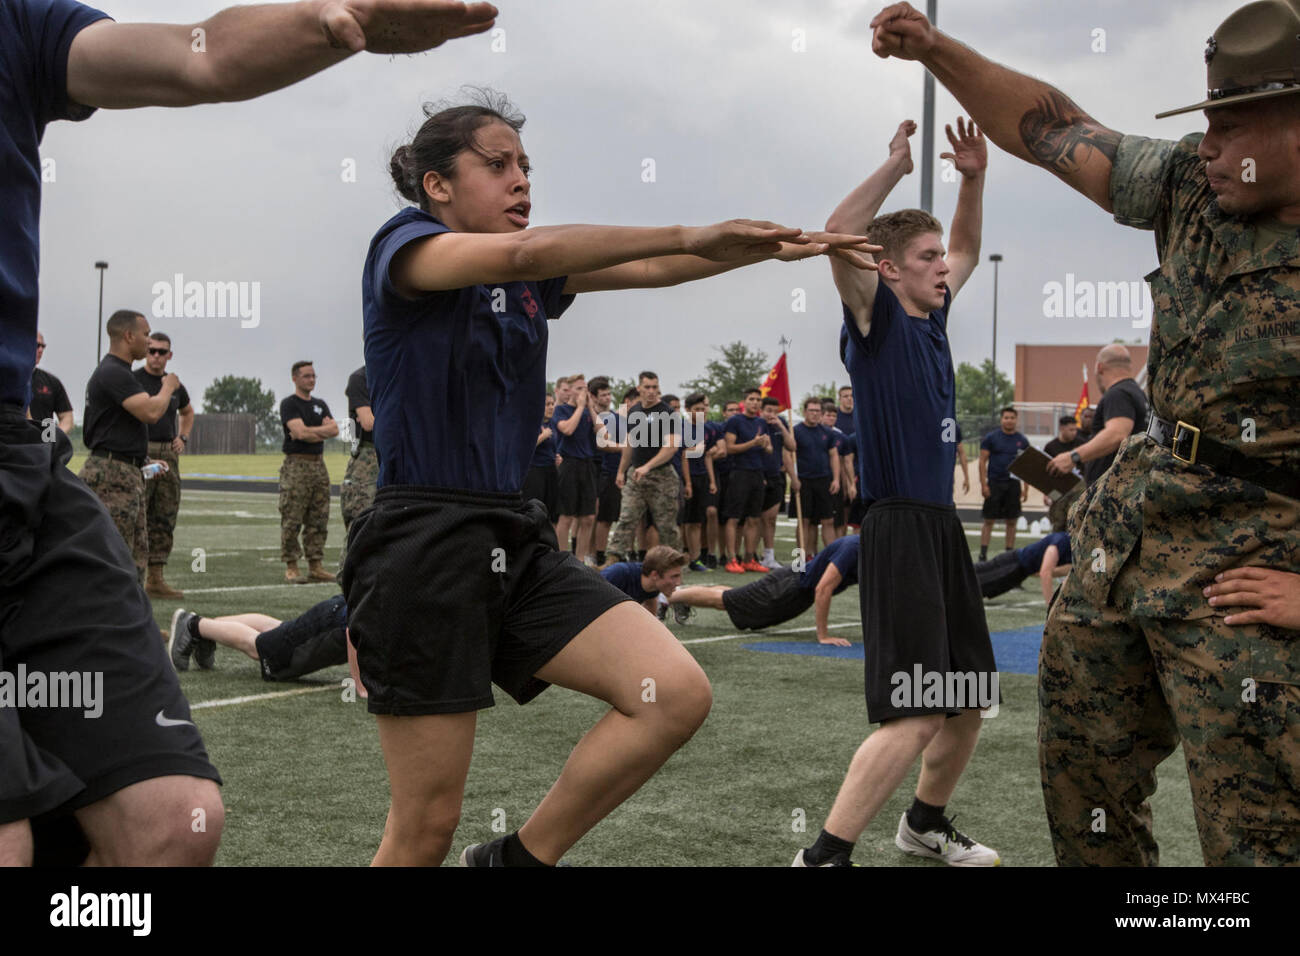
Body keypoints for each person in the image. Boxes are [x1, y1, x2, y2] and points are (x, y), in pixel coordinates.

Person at [2, 0, 498, 870]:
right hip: (120, 471)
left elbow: (202, 58)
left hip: (19, 465)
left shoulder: (15, 23)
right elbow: (165, 412)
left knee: (174, 826)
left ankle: (184, 617)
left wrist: (338, 20)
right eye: (502, 164)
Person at [347, 92, 877, 867]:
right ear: (437, 184)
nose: (521, 180)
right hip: (423, 541)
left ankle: (518, 860)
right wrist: (695, 230)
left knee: (673, 694)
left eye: (526, 166)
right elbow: (533, 253)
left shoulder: (529, 273)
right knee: (425, 826)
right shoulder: (409, 247)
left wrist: (758, 248)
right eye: (498, 165)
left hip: (512, 534)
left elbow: (655, 266)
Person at [871, 0, 1300, 866]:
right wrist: (934, 46)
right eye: (1205, 120)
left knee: (1258, 835)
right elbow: (1051, 127)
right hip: (1128, 538)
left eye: (1230, 121)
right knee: (1082, 785)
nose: (1206, 142)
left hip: (1251, 563)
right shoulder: (1190, 184)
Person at [795, 115, 1001, 868]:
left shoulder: (933, 317)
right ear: (887, 267)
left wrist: (972, 179)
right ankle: (823, 855)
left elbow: (969, 247)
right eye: (924, 256)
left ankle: (924, 823)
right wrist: (893, 165)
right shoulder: (873, 318)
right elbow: (836, 231)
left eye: (938, 255)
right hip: (898, 528)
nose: (942, 265)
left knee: (969, 696)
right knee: (915, 709)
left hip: (940, 526)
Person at [79, 310, 178, 585]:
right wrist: (168, 388)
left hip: (126, 471)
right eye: (146, 335)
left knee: (135, 555)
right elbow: (151, 412)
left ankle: (133, 625)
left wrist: (143, 463)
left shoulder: (120, 373)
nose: (149, 342)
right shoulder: (113, 372)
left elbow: (121, 430)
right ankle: (108, 625)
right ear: (128, 335)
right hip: (112, 475)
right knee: (115, 554)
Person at [670, 534, 860, 646]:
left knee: (735, 597)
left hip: (795, 587)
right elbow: (823, 589)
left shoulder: (866, 546)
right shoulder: (854, 547)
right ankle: (669, 596)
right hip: (789, 586)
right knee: (726, 601)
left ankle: (680, 595)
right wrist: (823, 635)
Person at [168, 596, 349, 683]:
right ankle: (194, 626)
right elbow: (354, 632)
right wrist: (360, 683)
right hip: (336, 625)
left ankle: (210, 630)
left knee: (279, 630)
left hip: (337, 610)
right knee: (262, 648)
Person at [135, 331, 192, 599]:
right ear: (145, 352)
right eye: (152, 350)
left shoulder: (175, 385)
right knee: (138, 514)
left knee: (165, 515)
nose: (156, 356)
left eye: (162, 351)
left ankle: (156, 579)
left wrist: (182, 437)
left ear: (170, 355)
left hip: (167, 455)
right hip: (142, 451)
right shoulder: (133, 379)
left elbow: (188, 411)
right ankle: (134, 578)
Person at [609, 371, 688, 561]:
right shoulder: (634, 411)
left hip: (663, 476)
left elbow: (671, 448)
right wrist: (621, 471)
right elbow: (629, 443)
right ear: (639, 389)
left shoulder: (668, 413)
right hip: (635, 475)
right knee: (626, 519)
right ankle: (612, 559)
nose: (651, 391)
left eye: (655, 387)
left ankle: (675, 564)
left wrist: (648, 466)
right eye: (647, 387)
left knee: (666, 525)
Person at [1045, 344, 1149, 486]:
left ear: (1100, 367)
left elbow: (1117, 434)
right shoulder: (1138, 393)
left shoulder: (1118, 394)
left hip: (1115, 491)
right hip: (1129, 485)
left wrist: (1072, 457)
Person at [279, 360, 338, 584]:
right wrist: (316, 432)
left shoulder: (320, 404)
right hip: (297, 465)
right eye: (306, 376)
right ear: (295, 378)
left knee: (319, 517)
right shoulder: (289, 404)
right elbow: (299, 433)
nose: (311, 380)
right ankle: (292, 565)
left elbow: (333, 429)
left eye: (313, 376)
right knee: (292, 516)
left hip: (318, 465)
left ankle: (316, 565)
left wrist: (312, 432)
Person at [552, 373, 603, 564]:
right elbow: (567, 429)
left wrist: (589, 406)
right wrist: (580, 407)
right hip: (569, 464)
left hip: (588, 464)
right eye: (579, 388)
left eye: (585, 388)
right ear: (571, 390)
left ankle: (580, 560)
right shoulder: (562, 410)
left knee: (588, 516)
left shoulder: (588, 412)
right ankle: (563, 559)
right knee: (567, 515)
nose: (583, 392)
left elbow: (601, 431)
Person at [721, 388, 771, 572]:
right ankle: (732, 558)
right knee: (734, 518)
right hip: (739, 472)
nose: (755, 403)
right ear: (745, 402)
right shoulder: (735, 421)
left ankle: (749, 558)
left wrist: (766, 445)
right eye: (752, 399)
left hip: (758, 473)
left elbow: (770, 449)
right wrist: (753, 443)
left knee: (754, 518)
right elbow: (730, 448)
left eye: (758, 400)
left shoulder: (761, 422)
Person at [978, 407, 1030, 561]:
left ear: (1016, 419)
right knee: (988, 520)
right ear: (1002, 419)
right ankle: (982, 555)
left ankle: (1008, 555)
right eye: (1006, 417)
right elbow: (982, 462)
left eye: (1012, 418)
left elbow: (1027, 464)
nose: (1009, 420)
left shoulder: (1022, 440)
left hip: (1013, 485)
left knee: (1012, 521)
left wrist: (1025, 488)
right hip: (994, 484)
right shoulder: (991, 438)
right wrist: (983, 485)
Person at [340, 364, 378, 570]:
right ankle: (349, 584)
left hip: (398, 456)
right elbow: (368, 422)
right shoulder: (361, 378)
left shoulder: (402, 372)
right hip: (369, 458)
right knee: (361, 523)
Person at [791, 397, 840, 555]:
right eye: (811, 410)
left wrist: (836, 479)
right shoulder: (796, 431)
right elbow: (788, 455)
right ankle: (803, 558)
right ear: (805, 412)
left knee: (828, 521)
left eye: (817, 411)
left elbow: (834, 456)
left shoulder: (827, 432)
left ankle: (832, 557)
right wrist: (793, 478)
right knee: (804, 520)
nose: (814, 414)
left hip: (823, 480)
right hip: (803, 481)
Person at [974, 531, 1073, 604]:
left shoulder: (1069, 544)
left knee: (979, 587)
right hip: (1013, 564)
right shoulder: (1063, 540)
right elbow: (1045, 573)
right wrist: (1051, 605)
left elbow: (1043, 571)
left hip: (1019, 569)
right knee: (977, 585)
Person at [593, 382, 632, 565]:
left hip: (620, 471)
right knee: (603, 517)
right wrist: (623, 448)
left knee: (621, 516)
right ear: (593, 397)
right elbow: (602, 443)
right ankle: (598, 554)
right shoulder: (597, 417)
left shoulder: (619, 418)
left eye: (609, 394)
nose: (607, 398)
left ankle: (622, 552)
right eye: (603, 395)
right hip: (603, 471)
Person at [680, 392, 718, 572]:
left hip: (702, 477)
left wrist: (711, 480)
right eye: (697, 409)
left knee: (696, 521)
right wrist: (687, 483)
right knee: (683, 520)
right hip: (686, 477)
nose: (701, 412)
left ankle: (695, 559)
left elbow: (708, 455)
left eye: (703, 409)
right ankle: (684, 556)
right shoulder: (682, 427)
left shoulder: (706, 428)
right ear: (687, 410)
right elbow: (684, 456)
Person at [599, 545, 689, 617]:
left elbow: (651, 610)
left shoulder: (653, 586)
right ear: (655, 575)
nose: (678, 582)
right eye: (674, 576)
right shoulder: (617, 574)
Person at [758, 397, 796, 569]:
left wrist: (781, 426)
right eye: (768, 410)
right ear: (762, 410)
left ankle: (769, 555)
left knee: (770, 518)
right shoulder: (756, 424)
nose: (771, 414)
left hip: (775, 476)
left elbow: (792, 447)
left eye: (775, 411)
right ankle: (750, 555)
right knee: (754, 519)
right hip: (757, 475)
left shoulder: (780, 424)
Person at [1042, 415, 1086, 533]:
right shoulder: (1051, 447)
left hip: (1078, 489)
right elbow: (1045, 473)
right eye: (1071, 430)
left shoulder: (1081, 445)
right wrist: (1046, 492)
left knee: (1075, 522)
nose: (1074, 433)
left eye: (1075, 429)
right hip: (1058, 490)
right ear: (1061, 428)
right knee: (1058, 522)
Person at [523, 391, 560, 523]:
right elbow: (524, 447)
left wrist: (556, 457)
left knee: (550, 512)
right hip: (534, 471)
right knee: (535, 511)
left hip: (550, 470)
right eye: (547, 404)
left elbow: (552, 447)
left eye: (552, 404)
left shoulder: (552, 424)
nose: (551, 407)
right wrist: (542, 437)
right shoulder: (531, 423)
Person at [28, 332, 73, 434]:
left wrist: (52, 438)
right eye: (37, 345)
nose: (40, 350)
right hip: (13, 443)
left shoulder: (51, 381)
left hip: (43, 445)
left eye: (43, 346)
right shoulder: (9, 378)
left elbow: (67, 417)